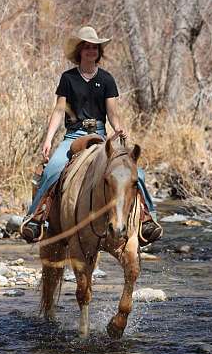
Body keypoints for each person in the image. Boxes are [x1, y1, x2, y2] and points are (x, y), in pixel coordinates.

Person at [21, 26, 162, 245]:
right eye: (86, 47)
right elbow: (59, 110)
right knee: (53, 169)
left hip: (100, 135)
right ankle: (36, 218)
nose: (90, 51)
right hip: (73, 135)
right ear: (80, 51)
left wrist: (119, 129)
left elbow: (113, 113)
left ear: (99, 51)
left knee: (137, 174)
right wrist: (49, 139)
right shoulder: (68, 78)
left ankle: (147, 218)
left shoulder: (106, 79)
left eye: (94, 47)